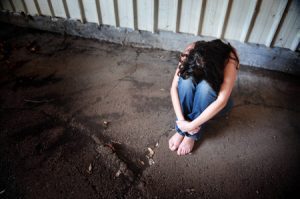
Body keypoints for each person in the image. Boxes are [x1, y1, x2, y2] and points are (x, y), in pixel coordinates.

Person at [169, 39, 240, 156]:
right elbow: (174, 88)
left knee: (205, 87)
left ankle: (190, 136)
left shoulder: (229, 58)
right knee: (186, 81)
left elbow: (221, 101)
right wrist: (181, 122)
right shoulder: (190, 52)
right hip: (191, 107)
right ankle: (183, 131)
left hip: (215, 103)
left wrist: (192, 126)